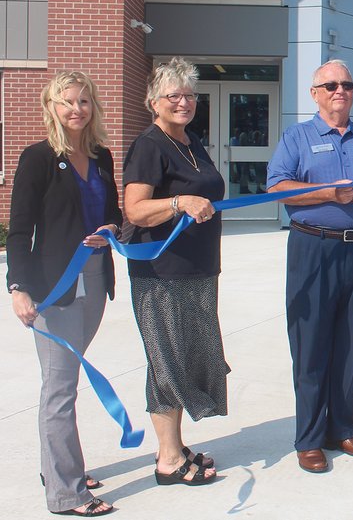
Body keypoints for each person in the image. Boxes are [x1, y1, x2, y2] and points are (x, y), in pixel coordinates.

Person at [266, 59, 353, 473]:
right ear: (315, 94)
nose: (339, 91)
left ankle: (342, 428)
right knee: (311, 343)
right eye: (329, 86)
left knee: (349, 341)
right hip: (314, 249)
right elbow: (277, 187)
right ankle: (309, 438)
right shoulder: (298, 137)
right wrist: (328, 192)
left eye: (346, 84)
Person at [7, 71, 121, 516]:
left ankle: (57, 468)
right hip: (54, 287)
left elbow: (112, 212)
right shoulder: (37, 158)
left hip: (94, 279)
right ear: (51, 107)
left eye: (84, 101)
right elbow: (19, 231)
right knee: (59, 389)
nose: (77, 109)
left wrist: (112, 227)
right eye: (67, 102)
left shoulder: (102, 156)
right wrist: (18, 288)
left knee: (65, 382)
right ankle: (66, 493)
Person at [123, 57, 226, 486]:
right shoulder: (150, 145)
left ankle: (177, 445)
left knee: (186, 359)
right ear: (154, 102)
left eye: (189, 95)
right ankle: (167, 459)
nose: (184, 102)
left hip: (197, 272)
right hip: (161, 275)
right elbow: (134, 209)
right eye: (174, 95)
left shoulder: (189, 141)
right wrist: (178, 202)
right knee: (166, 362)